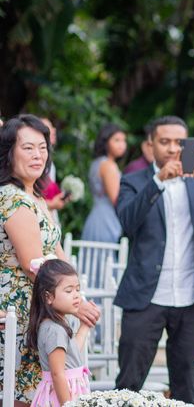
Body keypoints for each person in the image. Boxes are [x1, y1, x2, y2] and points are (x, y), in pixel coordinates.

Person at [114, 116, 194, 404]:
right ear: (150, 145)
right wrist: (158, 182)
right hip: (146, 296)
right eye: (165, 141)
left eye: (179, 142)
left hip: (193, 297)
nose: (172, 148)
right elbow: (127, 223)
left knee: (185, 388)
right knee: (128, 384)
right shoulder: (134, 181)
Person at [0, 115, 100, 406]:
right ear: (9, 153)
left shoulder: (36, 198)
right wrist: (75, 304)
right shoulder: (12, 199)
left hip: (47, 304)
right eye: (27, 147)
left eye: (42, 147)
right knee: (22, 395)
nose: (37, 155)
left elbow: (59, 258)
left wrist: (77, 295)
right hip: (20, 312)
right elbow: (36, 265)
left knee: (40, 394)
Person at [26, 259, 92, 407]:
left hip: (66, 391)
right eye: (69, 291)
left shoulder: (55, 325)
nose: (76, 295)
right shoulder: (54, 329)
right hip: (61, 396)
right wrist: (68, 405)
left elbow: (71, 353)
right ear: (48, 297)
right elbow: (58, 374)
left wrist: (85, 326)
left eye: (77, 289)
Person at [81, 124, 126, 243]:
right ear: (106, 142)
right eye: (117, 140)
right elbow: (116, 199)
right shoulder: (108, 165)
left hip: (97, 215)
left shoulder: (97, 163)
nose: (122, 144)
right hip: (105, 219)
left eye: (123, 140)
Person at [39, 118, 70, 225]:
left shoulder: (51, 164)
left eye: (52, 126)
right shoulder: (33, 164)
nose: (54, 130)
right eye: (48, 127)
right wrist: (52, 204)